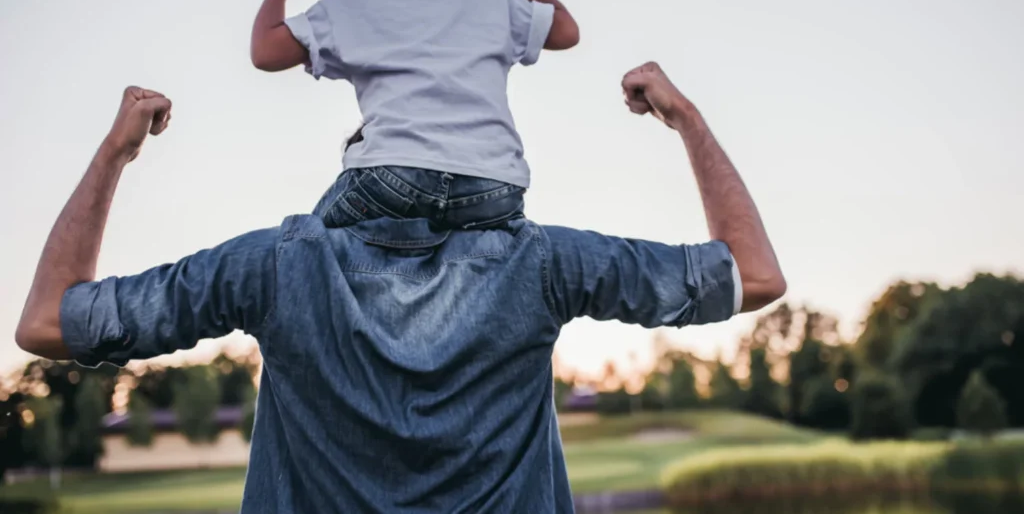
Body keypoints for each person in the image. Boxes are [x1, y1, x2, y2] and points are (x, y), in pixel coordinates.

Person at [15, 62, 786, 513]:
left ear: (355, 162)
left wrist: (116, 152)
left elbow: (48, 321)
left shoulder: (275, 267)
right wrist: (684, 118)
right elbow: (754, 275)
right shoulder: (541, 263)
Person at [249, 0, 580, 231]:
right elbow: (567, 31)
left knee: (309, 242)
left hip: (393, 179)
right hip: (494, 186)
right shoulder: (492, 2)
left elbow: (265, 52)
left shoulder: (348, 7)